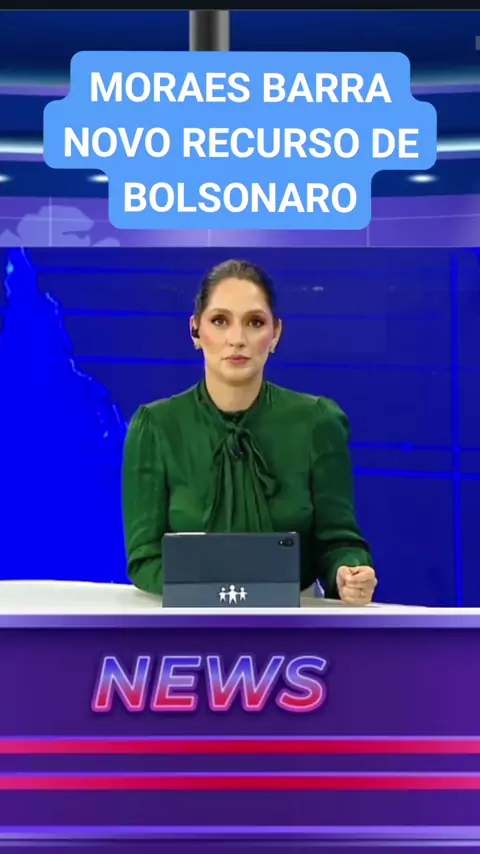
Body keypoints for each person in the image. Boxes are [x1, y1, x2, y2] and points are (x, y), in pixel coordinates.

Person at [122, 259, 377, 605]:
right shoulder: (155, 427)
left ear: (276, 333)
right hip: (186, 617)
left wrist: (349, 573)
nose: (237, 339)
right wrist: (224, 593)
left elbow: (339, 542)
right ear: (195, 330)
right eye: (220, 321)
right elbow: (144, 557)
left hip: (293, 622)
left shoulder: (318, 422)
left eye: (255, 322)